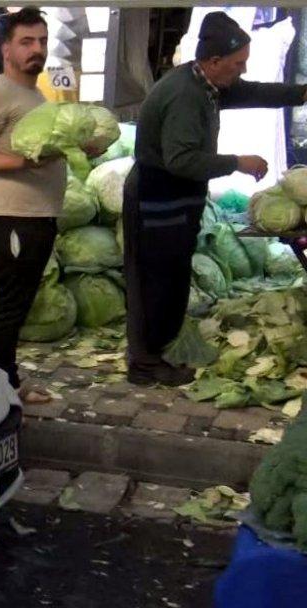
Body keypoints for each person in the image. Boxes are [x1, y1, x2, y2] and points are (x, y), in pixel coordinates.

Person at [123, 11, 307, 386]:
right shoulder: (184, 95)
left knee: (172, 279)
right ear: (214, 61)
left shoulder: (207, 82)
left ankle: (161, 354)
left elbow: (253, 91)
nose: (242, 70)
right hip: (157, 202)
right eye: (238, 64)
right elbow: (182, 159)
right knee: (155, 285)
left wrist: (301, 93)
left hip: (177, 203)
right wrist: (238, 162)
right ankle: (145, 364)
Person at [0, 6, 71, 398]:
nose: (36, 49)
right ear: (6, 49)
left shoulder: (33, 94)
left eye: (41, 41)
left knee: (18, 306)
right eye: (26, 42)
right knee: (8, 308)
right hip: (8, 219)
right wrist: (25, 162)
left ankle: (6, 382)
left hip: (34, 218)